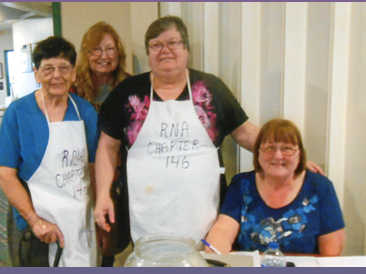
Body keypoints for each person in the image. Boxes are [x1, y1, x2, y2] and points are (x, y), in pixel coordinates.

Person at [94, 16, 322, 246]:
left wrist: (290, 158)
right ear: (148, 53)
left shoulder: (210, 89)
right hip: (147, 216)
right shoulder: (128, 93)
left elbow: (245, 133)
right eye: (156, 45)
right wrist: (103, 193)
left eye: (173, 43)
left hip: (201, 215)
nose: (165, 51)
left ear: (186, 49)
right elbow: (107, 146)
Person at [0, 36, 99, 267]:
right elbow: (4, 173)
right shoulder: (19, 112)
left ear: (73, 72)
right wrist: (34, 220)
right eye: (48, 68)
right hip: (35, 223)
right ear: (36, 73)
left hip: (79, 219)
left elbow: (93, 167)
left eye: (63, 68)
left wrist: (97, 211)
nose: (56, 75)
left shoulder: (85, 112)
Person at [205, 119, 345, 256]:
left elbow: (332, 252)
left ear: (300, 154)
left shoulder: (320, 187)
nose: (278, 156)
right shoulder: (241, 184)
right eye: (270, 148)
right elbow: (223, 230)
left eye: (287, 149)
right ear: (258, 153)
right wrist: (216, 251)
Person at [72, 22, 131, 266]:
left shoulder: (130, 85)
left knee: (110, 235)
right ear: (86, 54)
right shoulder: (73, 87)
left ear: (119, 53)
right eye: (96, 50)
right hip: (79, 171)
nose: (103, 57)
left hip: (119, 172)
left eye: (110, 49)